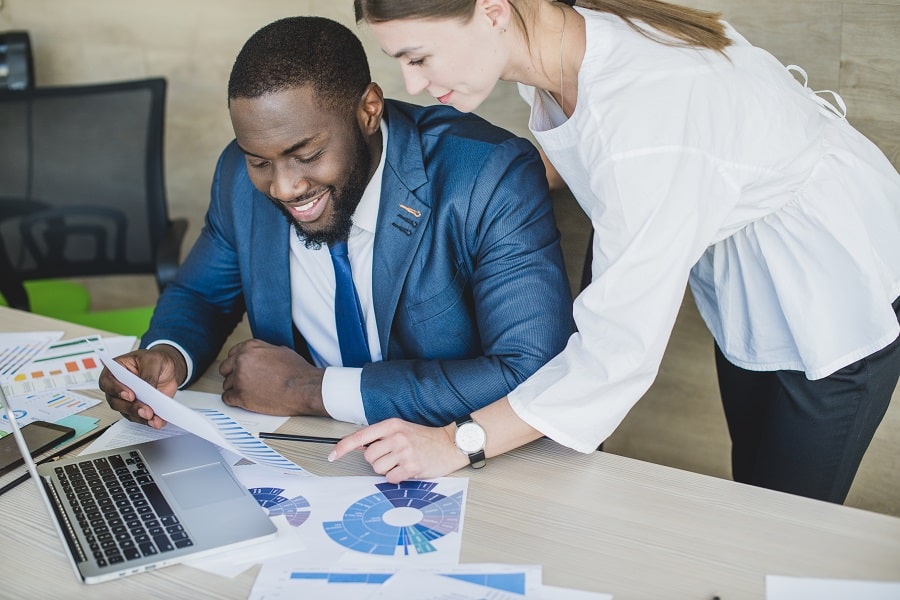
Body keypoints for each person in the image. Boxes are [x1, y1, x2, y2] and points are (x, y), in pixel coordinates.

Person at [333, 0, 900, 503]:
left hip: (838, 283)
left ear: (493, 10)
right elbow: (590, 153)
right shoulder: (557, 39)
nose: (410, 84)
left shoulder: (645, 128)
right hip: (743, 271)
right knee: (752, 497)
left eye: (418, 57)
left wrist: (458, 442)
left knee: (785, 524)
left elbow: (615, 356)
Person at [98, 16, 574, 431]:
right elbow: (201, 295)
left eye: (306, 155)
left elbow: (530, 369)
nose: (283, 187)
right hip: (305, 449)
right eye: (259, 161)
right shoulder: (237, 176)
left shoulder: (488, 176)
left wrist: (311, 389)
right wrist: (167, 356)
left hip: (458, 452)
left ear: (369, 110)